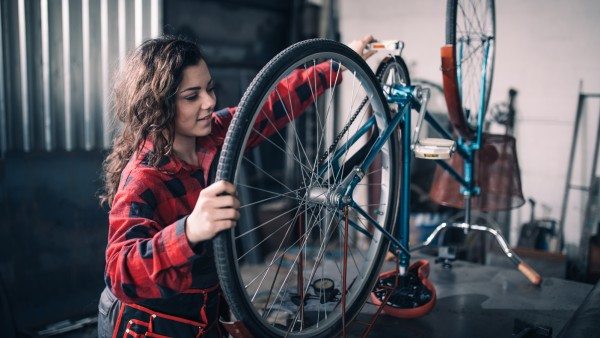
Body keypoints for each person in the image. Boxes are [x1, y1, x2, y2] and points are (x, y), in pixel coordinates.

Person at [97, 34, 376, 337]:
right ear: (158, 105)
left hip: (206, 313)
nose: (209, 101)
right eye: (192, 96)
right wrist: (189, 230)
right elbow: (119, 271)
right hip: (149, 324)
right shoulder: (143, 177)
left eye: (209, 88)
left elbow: (271, 105)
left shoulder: (213, 134)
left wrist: (337, 64)